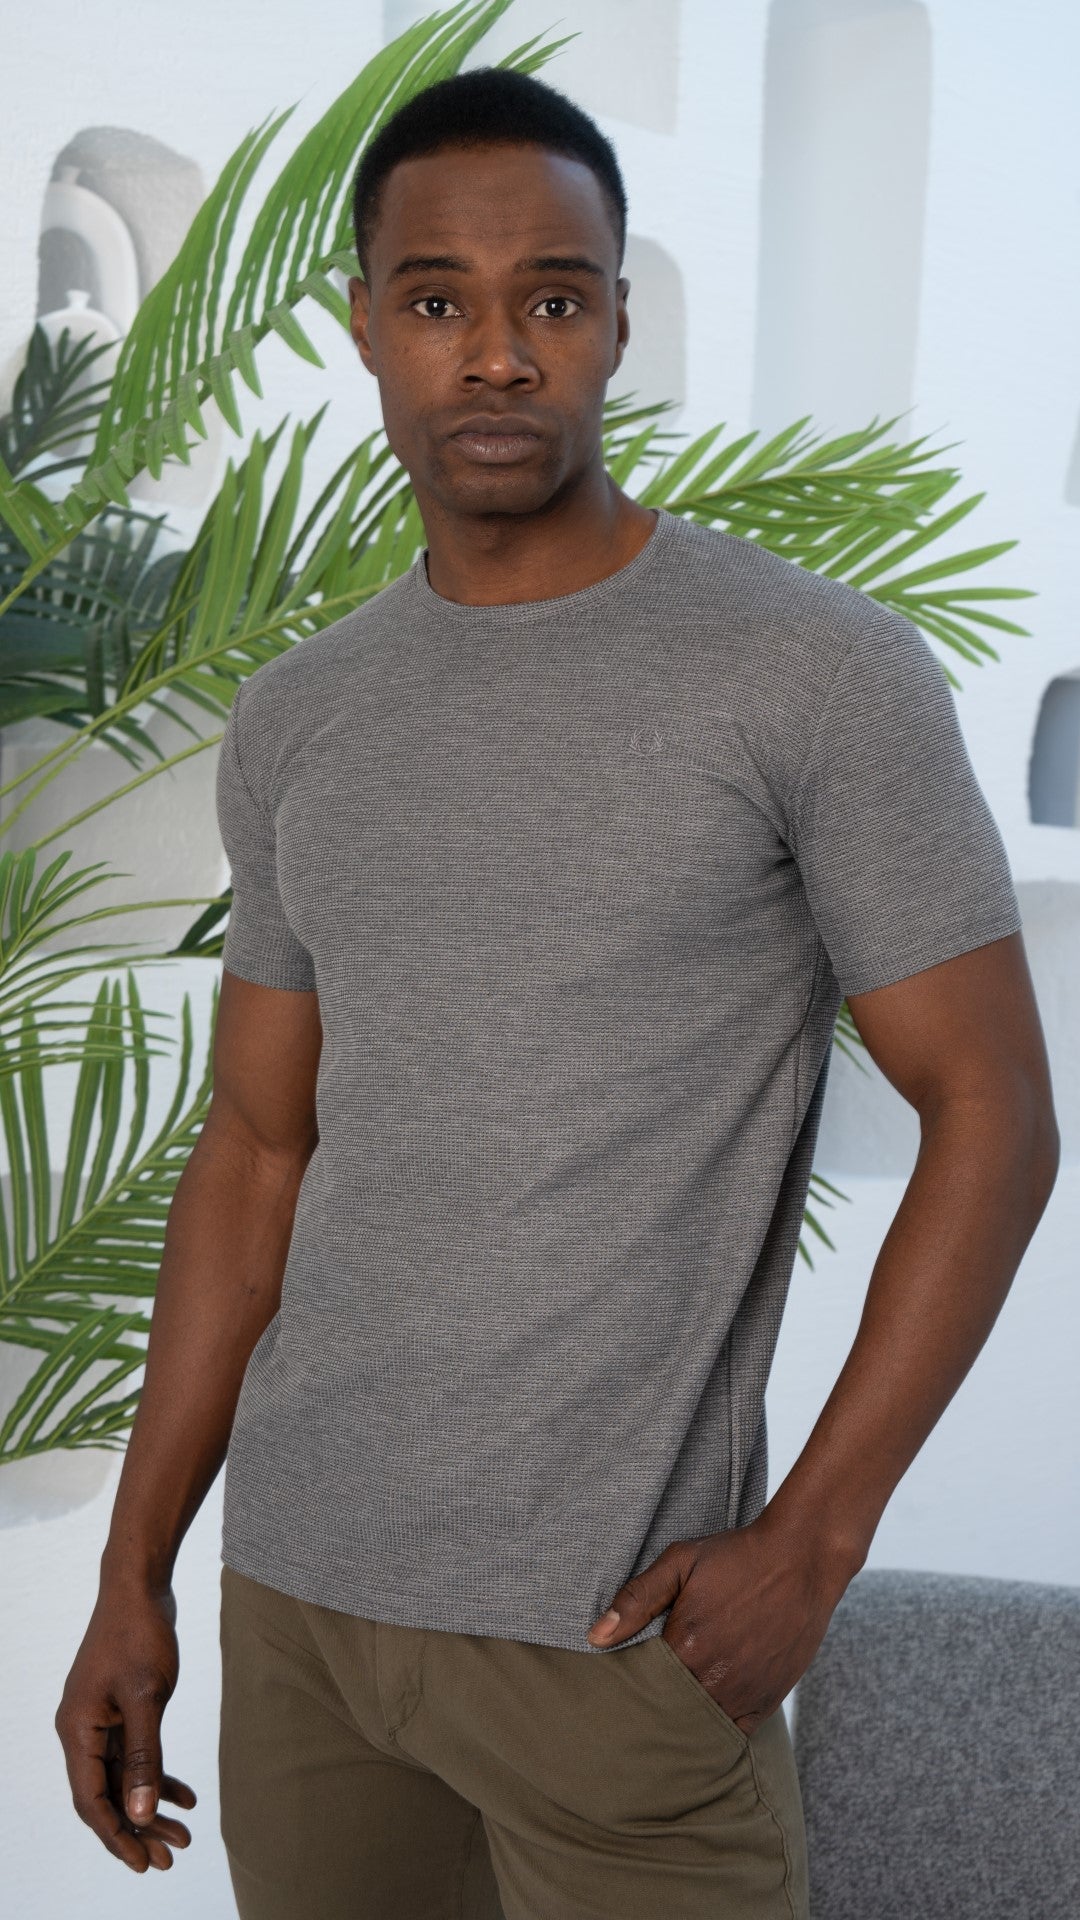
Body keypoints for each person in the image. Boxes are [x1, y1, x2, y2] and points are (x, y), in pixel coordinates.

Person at [54, 63, 1059, 1920]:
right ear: (365, 325)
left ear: (615, 323)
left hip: (614, 1646)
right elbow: (258, 1154)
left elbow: (993, 1115)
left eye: (555, 300)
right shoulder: (302, 718)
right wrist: (135, 1573)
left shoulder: (812, 675)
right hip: (304, 1619)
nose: (498, 354)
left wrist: (815, 1541)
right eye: (438, 300)